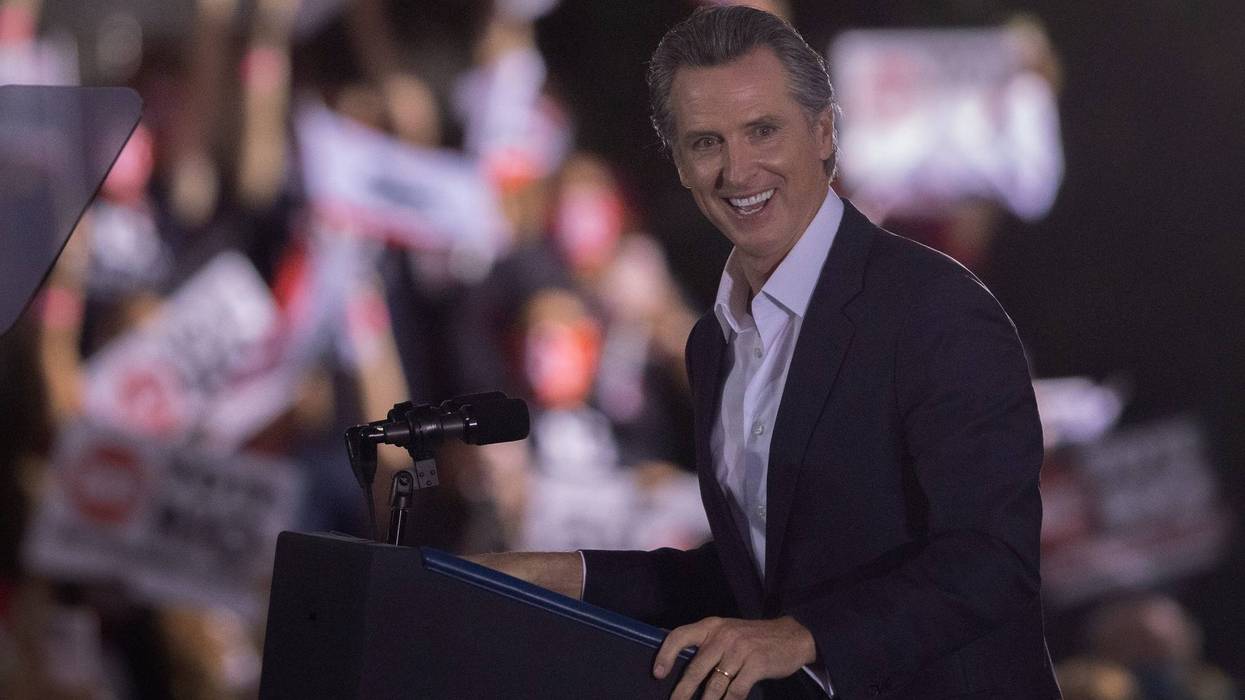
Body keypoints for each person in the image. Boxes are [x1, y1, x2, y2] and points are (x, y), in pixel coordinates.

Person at [471, 6, 1060, 698]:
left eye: (762, 131)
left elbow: (991, 561)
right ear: (680, 163)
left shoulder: (935, 309)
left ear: (824, 132)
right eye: (706, 142)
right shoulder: (713, 344)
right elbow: (756, 579)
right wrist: (564, 574)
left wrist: (804, 636)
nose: (737, 169)